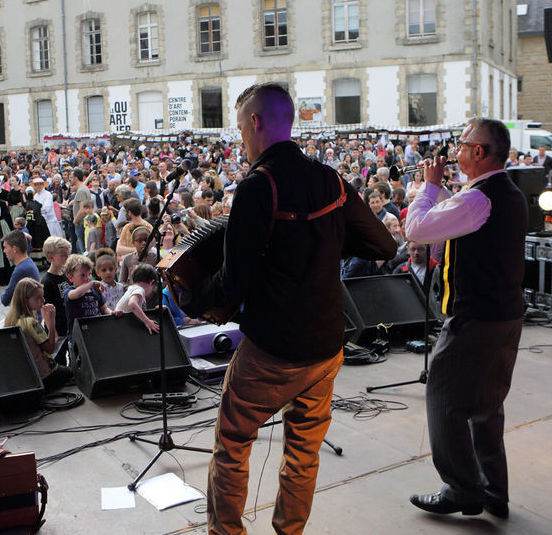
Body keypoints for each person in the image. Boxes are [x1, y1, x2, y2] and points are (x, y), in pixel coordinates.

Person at [181, 83, 396, 534]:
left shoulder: (259, 187)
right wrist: (322, 246)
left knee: (233, 443)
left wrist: (192, 299)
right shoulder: (331, 179)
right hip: (325, 346)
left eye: (240, 128)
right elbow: (382, 243)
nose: (240, 138)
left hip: (273, 350)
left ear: (256, 123)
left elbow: (234, 281)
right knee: (303, 452)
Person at [404, 117, 527, 519]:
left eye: (461, 144)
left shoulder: (479, 199)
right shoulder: (506, 192)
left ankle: (463, 488)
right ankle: (494, 490)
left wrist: (430, 184)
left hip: (477, 318)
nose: (455, 151)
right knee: (487, 405)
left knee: (444, 398)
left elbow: (417, 229)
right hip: (506, 314)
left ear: (478, 152)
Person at [2, 278, 72, 392]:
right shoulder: (30, 322)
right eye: (38, 298)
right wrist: (51, 322)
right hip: (44, 376)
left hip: (27, 377)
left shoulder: (11, 320)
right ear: (25, 300)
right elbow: (50, 349)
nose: (43, 300)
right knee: (71, 372)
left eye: (42, 296)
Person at [60, 254, 110, 328]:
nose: (87, 278)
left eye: (89, 274)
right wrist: (92, 283)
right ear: (71, 278)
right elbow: (77, 294)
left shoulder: (94, 291)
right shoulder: (69, 291)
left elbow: (104, 308)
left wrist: (113, 313)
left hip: (96, 330)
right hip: (79, 334)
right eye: (82, 275)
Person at [113, 263, 160, 333]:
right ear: (151, 282)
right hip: (123, 326)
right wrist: (147, 322)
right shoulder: (139, 290)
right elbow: (132, 304)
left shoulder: (132, 288)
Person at [0, 230, 40, 307]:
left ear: (14, 249)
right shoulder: (28, 262)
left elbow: (5, 299)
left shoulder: (21, 270)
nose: (4, 251)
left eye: (5, 247)